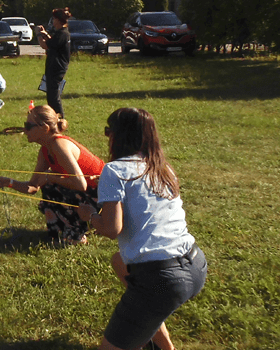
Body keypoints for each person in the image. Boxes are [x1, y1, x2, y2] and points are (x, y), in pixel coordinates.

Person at [77, 108, 208, 350]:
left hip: (161, 279)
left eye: (108, 131)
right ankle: (163, 346)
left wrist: (90, 215)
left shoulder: (114, 170)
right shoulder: (162, 167)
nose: (107, 137)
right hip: (195, 265)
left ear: (118, 136)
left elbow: (111, 229)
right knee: (120, 261)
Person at [0, 105, 103, 244]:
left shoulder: (59, 145)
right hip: (91, 193)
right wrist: (9, 182)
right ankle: (59, 233)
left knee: (51, 184)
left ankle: (78, 233)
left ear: (45, 128)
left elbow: (81, 184)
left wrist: (50, 177)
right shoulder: (45, 150)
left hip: (104, 195)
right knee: (50, 184)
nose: (25, 130)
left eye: (28, 126)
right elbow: (33, 186)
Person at [36, 7, 71, 118]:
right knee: (51, 95)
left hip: (56, 68)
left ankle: (60, 120)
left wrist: (38, 34)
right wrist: (45, 34)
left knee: (53, 97)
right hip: (54, 67)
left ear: (58, 20)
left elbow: (45, 45)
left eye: (54, 18)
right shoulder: (60, 33)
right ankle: (54, 118)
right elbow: (52, 42)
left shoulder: (62, 34)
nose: (53, 21)